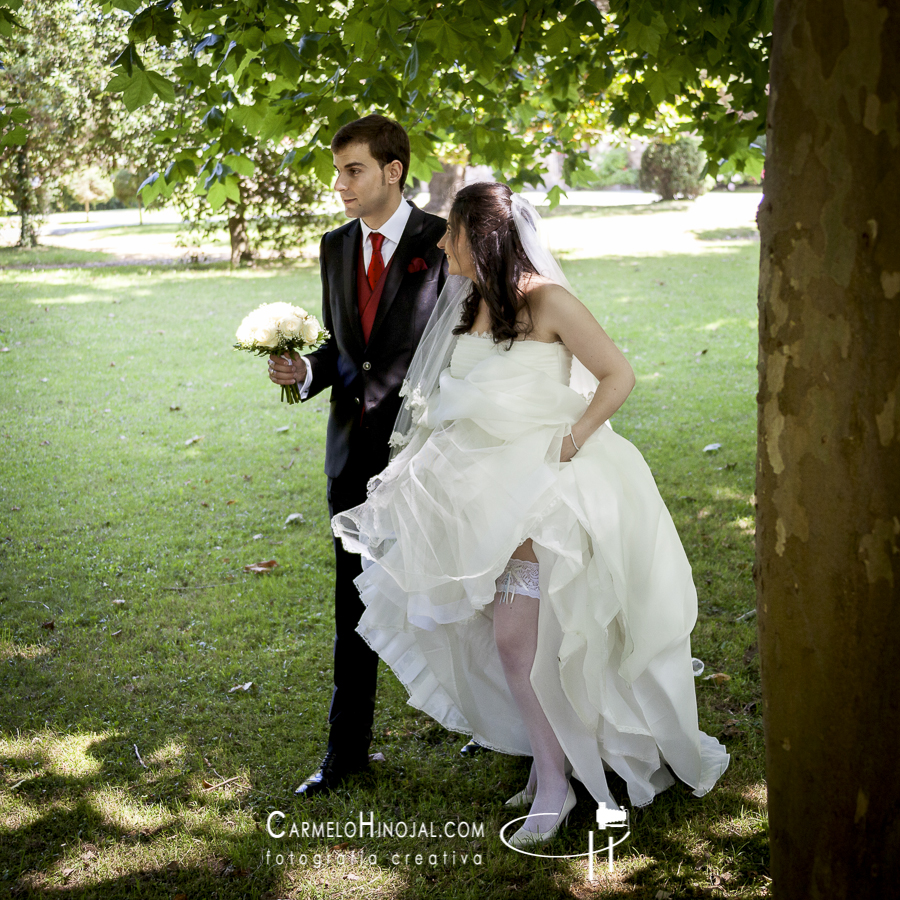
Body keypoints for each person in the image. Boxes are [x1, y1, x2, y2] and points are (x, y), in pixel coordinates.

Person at [332, 182, 729, 846]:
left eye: (451, 233)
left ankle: (556, 785)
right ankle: (553, 758)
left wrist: (568, 446)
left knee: (519, 640)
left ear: (479, 238)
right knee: (507, 639)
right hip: (480, 490)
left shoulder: (548, 301)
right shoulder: (471, 305)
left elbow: (617, 375)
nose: (441, 244)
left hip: (545, 489)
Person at [268, 115, 449, 797]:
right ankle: (345, 752)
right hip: (350, 456)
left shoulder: (442, 241)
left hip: (431, 455)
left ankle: (520, 741)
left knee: (474, 594)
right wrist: (305, 375)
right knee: (355, 604)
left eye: (353, 170)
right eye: (338, 170)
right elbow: (347, 352)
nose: (339, 184)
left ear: (393, 171)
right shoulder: (334, 245)